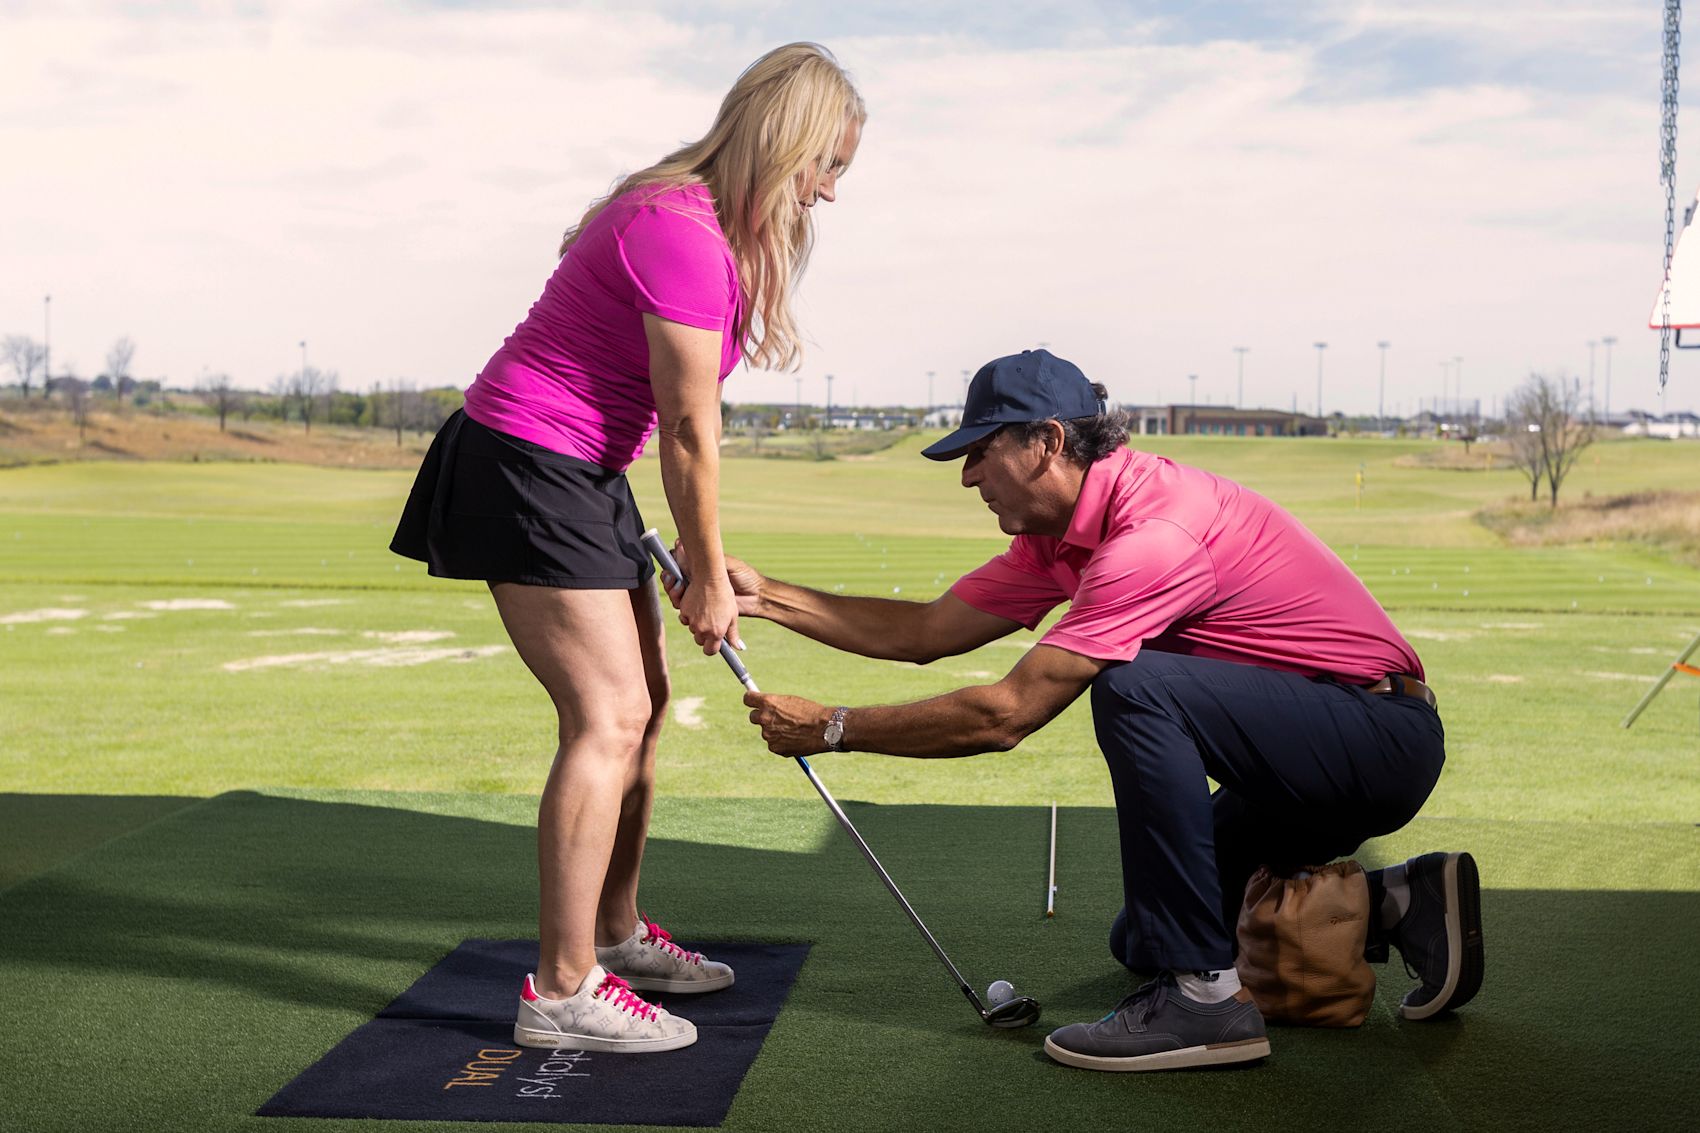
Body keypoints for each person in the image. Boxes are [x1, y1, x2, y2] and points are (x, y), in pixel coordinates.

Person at [665, 348, 1484, 1072]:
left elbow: (1007, 714)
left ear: (1047, 442)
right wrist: (764, 594)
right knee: (1140, 942)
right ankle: (1402, 899)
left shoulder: (1152, 534)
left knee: (1133, 684)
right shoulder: (1057, 541)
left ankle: (1205, 1003)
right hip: (1297, 755)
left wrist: (835, 727)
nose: (966, 475)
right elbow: (926, 631)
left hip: (1375, 739)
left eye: (981, 452)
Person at [390, 43, 866, 1054]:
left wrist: (698, 565)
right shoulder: (676, 228)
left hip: (582, 470)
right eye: (824, 167)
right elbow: (689, 428)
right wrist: (705, 572)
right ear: (784, 145)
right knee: (605, 717)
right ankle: (561, 990)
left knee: (641, 713)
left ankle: (612, 932)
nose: (827, 193)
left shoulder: (695, 220)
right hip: (526, 461)